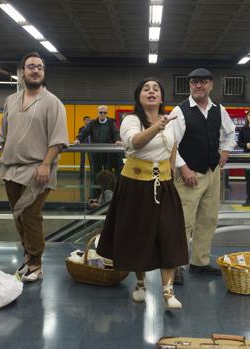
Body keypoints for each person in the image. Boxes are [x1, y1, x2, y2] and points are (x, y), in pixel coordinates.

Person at [96, 78, 188, 309]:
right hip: (136, 185)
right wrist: (158, 126)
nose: (151, 91)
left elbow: (173, 148)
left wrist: (171, 172)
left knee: (169, 234)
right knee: (139, 235)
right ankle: (140, 283)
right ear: (138, 96)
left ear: (161, 97)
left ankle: (168, 290)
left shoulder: (172, 121)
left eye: (156, 88)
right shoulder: (131, 119)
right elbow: (135, 143)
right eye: (146, 89)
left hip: (163, 184)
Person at [0, 52, 69, 283]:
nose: (35, 70)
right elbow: (4, 135)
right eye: (30, 67)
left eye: (39, 67)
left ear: (44, 73)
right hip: (10, 169)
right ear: (23, 72)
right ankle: (28, 256)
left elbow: (58, 139)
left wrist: (46, 164)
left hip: (38, 169)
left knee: (30, 215)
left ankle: (36, 263)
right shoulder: (11, 100)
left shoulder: (52, 102)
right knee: (18, 215)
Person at [170, 68, 236, 285]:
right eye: (194, 82)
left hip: (212, 172)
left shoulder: (219, 109)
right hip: (190, 173)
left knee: (208, 219)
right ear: (190, 86)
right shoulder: (180, 111)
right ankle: (176, 266)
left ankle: (199, 262)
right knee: (184, 221)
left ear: (210, 85)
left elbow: (230, 133)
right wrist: (183, 168)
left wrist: (226, 150)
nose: (198, 86)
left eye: (203, 82)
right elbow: (171, 143)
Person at [75, 105, 124, 199]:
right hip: (95, 153)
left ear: (107, 113)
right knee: (95, 174)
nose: (102, 114)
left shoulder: (111, 122)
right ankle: (95, 196)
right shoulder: (93, 123)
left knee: (108, 174)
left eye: (104, 113)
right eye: (101, 112)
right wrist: (78, 139)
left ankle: (108, 195)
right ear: (98, 113)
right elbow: (84, 132)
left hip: (107, 154)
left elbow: (115, 132)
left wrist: (117, 140)